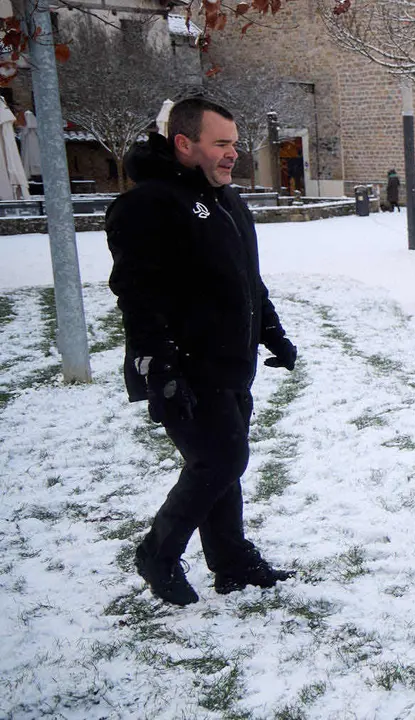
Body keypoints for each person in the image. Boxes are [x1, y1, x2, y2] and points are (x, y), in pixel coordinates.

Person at [106, 97, 298, 607]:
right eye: (221, 144)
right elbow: (137, 296)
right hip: (185, 369)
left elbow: (245, 279)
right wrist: (159, 370)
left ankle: (230, 561)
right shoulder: (148, 204)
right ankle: (158, 554)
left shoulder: (225, 198)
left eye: (234, 143)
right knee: (220, 458)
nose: (232, 154)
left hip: (231, 363)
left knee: (223, 461)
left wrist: (272, 332)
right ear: (184, 144)